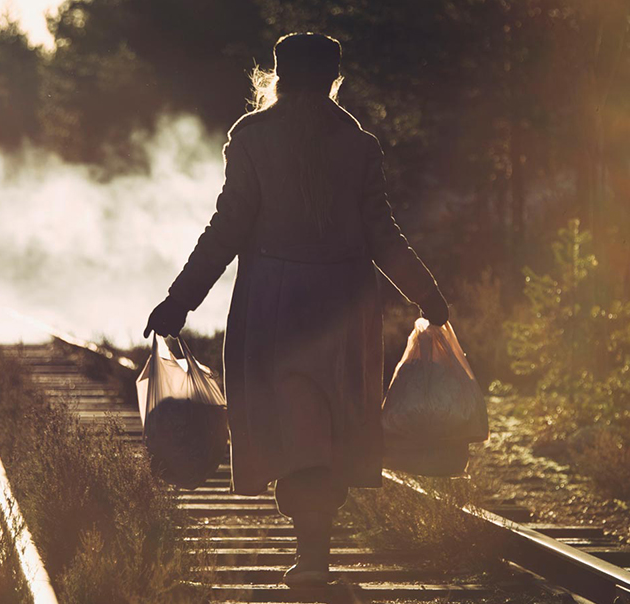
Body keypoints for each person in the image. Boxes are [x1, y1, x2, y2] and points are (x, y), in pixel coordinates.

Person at [144, 32, 447, 587]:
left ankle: (311, 557)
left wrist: (179, 301)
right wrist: (426, 293)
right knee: (328, 427)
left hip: (273, 307)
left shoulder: (252, 138)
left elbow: (226, 229)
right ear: (333, 81)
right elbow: (383, 234)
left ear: (279, 79)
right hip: (344, 308)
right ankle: (314, 555)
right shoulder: (359, 145)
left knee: (294, 427)